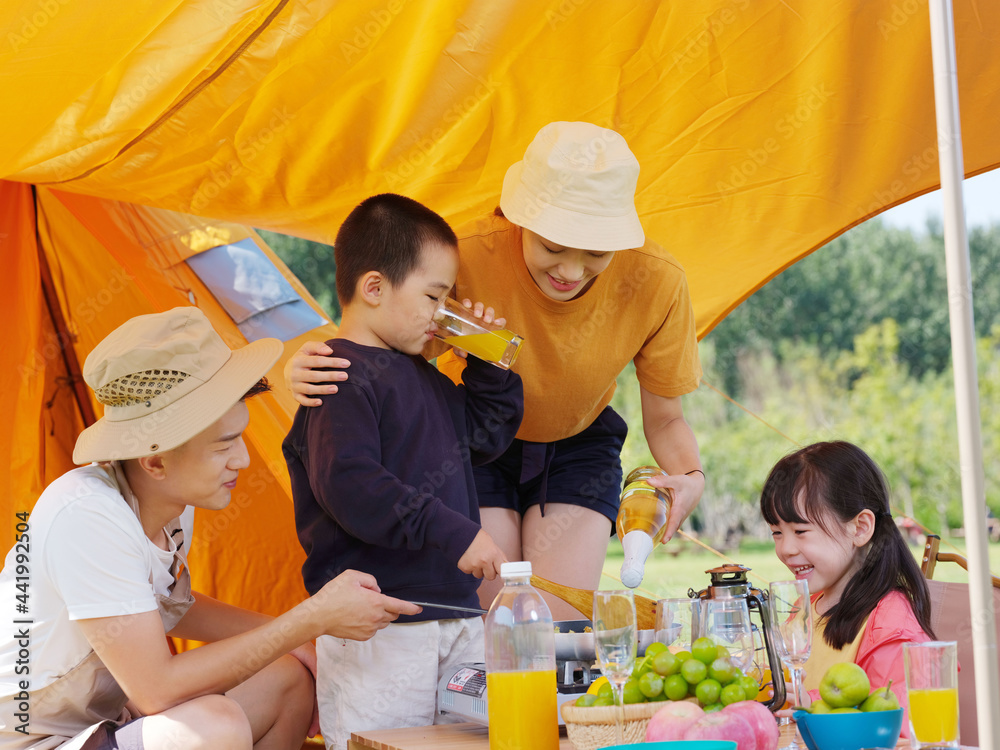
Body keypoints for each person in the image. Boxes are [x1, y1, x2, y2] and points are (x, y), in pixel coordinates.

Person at [286, 122, 705, 618]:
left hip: (578, 445)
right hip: (475, 443)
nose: (570, 271)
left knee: (553, 627)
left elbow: (666, 418)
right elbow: (386, 347)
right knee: (497, 620)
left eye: (595, 253)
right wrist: (313, 362)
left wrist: (691, 476)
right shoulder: (460, 257)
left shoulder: (658, 281)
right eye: (552, 247)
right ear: (519, 219)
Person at [0, 306, 419, 750]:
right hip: (28, 738)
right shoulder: (86, 515)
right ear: (156, 460)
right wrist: (306, 621)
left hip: (97, 726)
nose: (241, 459)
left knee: (287, 679)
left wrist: (299, 640)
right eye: (223, 445)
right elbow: (155, 689)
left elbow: (160, 606)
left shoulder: (168, 498)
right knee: (211, 725)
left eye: (239, 437)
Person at [281, 194, 523, 748]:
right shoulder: (336, 378)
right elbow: (353, 487)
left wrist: (487, 365)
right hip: (379, 628)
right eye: (434, 296)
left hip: (453, 615)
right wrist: (454, 531)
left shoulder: (427, 378)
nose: (443, 312)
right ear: (374, 288)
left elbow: (484, 440)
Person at [760, 440, 935, 733]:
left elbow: (905, 727)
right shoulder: (806, 606)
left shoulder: (890, 628)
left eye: (800, 531)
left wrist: (809, 704)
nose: (786, 548)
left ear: (860, 528)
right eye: (777, 532)